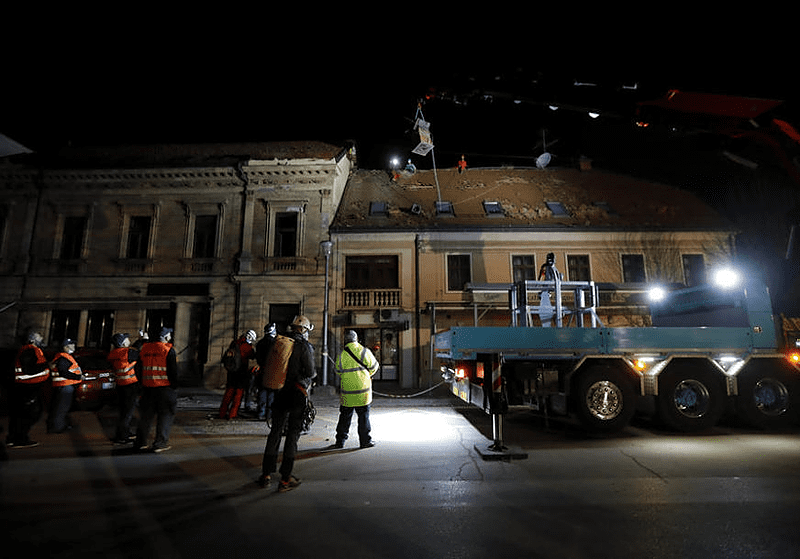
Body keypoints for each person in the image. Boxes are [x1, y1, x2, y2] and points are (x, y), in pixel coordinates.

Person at [259, 315, 316, 493]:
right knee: (292, 435)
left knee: (275, 432)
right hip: (297, 394)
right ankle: (285, 479)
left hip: (279, 391)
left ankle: (266, 475)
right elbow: (310, 371)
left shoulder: (279, 342)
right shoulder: (304, 346)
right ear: (304, 330)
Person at [333, 330, 380, 449]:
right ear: (357, 339)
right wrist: (367, 374)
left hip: (347, 394)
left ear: (345, 340)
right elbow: (374, 367)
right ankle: (365, 441)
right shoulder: (365, 351)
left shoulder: (342, 355)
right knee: (363, 418)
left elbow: (337, 371)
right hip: (362, 393)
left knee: (344, 418)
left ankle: (340, 441)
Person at [134, 327, 178, 453]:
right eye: (169, 334)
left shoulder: (145, 349)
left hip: (147, 388)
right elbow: (173, 371)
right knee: (165, 416)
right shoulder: (168, 350)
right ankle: (160, 443)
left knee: (146, 417)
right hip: (164, 388)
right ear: (165, 337)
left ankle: (140, 442)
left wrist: (142, 383)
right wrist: (174, 386)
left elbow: (138, 369)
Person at [7, 332, 50, 448]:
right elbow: (29, 369)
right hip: (27, 387)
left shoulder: (30, 350)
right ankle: (19, 439)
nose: (42, 340)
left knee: (23, 413)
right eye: (39, 338)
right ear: (32, 340)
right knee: (27, 414)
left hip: (27, 386)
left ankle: (14, 438)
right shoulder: (30, 350)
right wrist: (45, 366)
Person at [108, 333, 140, 444]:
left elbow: (133, 351)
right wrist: (143, 340)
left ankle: (123, 433)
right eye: (126, 339)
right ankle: (122, 437)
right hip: (130, 385)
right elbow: (138, 352)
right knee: (127, 413)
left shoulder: (113, 353)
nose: (128, 340)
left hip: (120, 385)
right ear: (122, 343)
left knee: (123, 412)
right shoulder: (127, 353)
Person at [47, 338, 84, 434]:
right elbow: (63, 372)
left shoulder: (64, 357)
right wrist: (78, 377)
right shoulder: (63, 358)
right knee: (62, 407)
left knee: (61, 407)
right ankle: (58, 427)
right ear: (65, 347)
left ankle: (58, 425)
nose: (74, 347)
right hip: (65, 386)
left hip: (64, 386)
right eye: (72, 345)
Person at [219, 329, 257, 419]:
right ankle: (232, 414)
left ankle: (222, 412)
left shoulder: (235, 343)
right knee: (238, 395)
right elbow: (252, 356)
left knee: (228, 393)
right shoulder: (247, 347)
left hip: (232, 373)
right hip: (241, 373)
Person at [253, 323, 277, 421]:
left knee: (262, 391)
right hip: (271, 370)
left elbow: (257, 357)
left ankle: (260, 412)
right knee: (271, 393)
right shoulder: (274, 343)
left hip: (262, 369)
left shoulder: (260, 343)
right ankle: (269, 414)